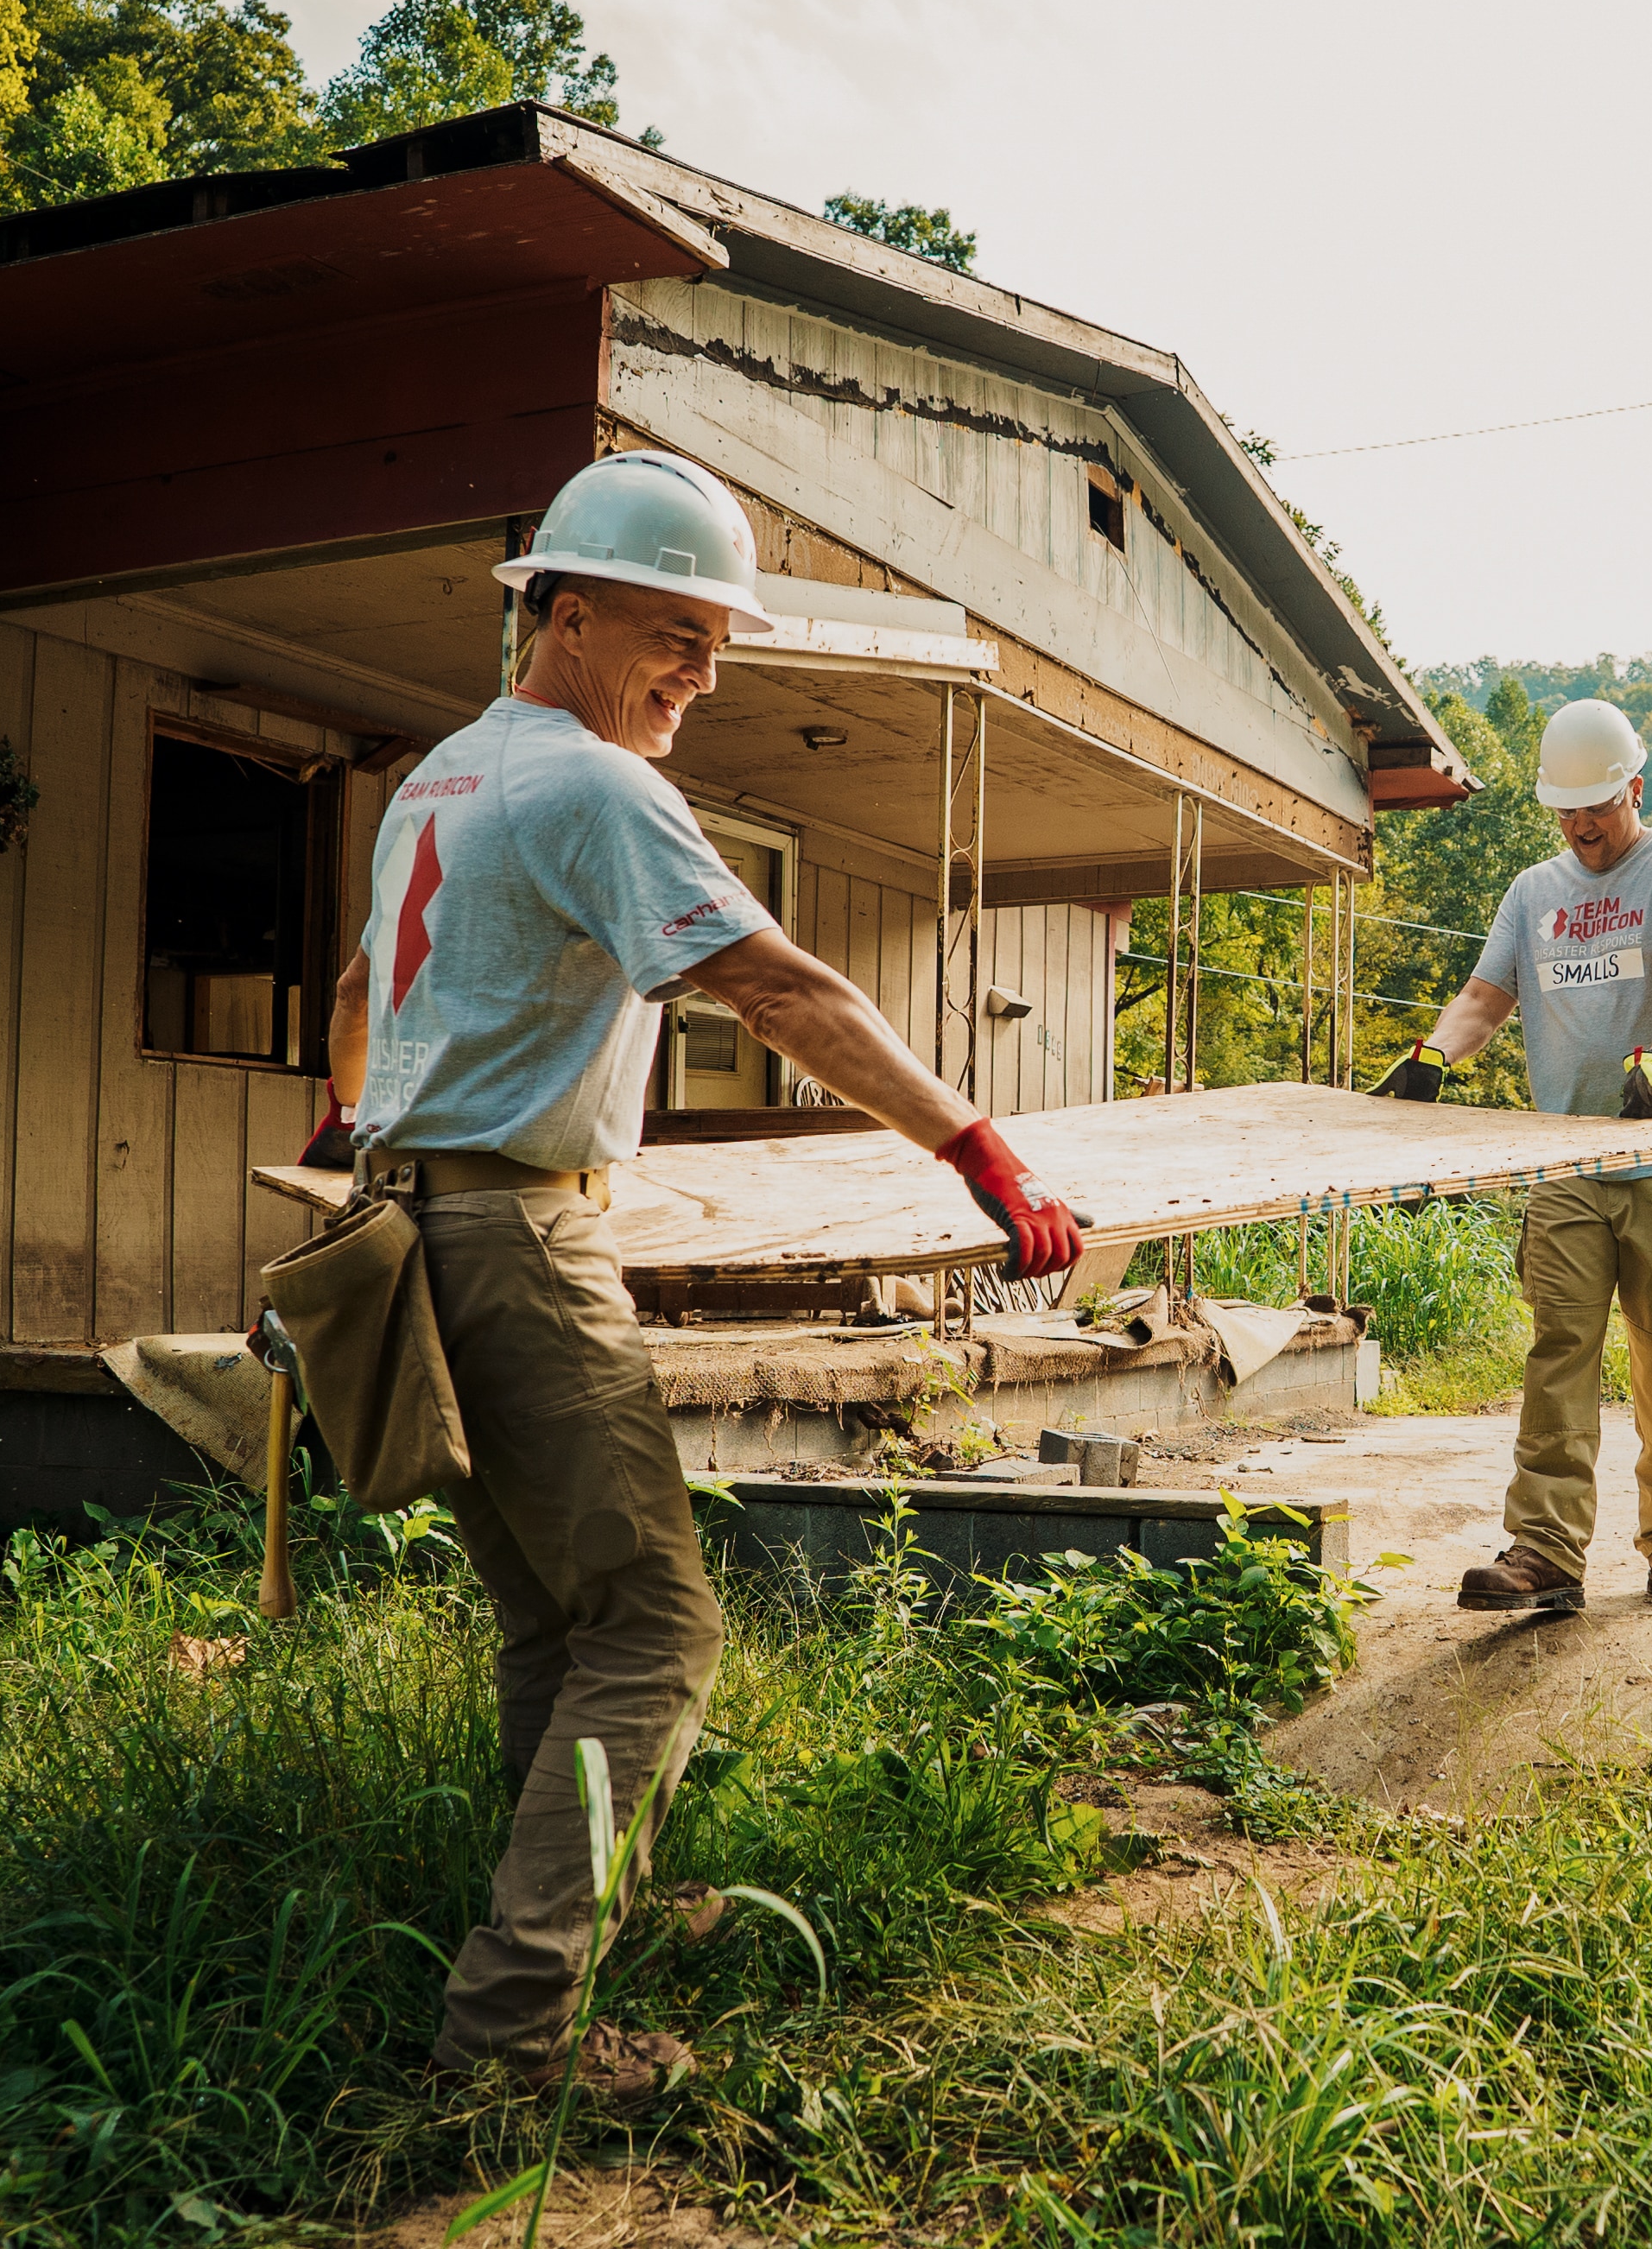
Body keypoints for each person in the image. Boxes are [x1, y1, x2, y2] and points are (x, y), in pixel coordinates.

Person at [321, 450, 1082, 2100]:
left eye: (717, 641)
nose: (703, 669)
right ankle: (511, 2037)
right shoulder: (593, 787)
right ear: (566, 611)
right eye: (676, 629)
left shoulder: (442, 778)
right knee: (657, 1626)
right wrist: (972, 1142)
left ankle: (599, 1910)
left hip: (413, 1224)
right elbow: (777, 985)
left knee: (555, 1619)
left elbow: (358, 989)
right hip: (514, 1236)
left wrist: (366, 1125)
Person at [1367, 698, 1652, 1612]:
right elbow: (1482, 996)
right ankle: (1543, 1548)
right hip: (1567, 1163)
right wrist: (1434, 1053)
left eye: (1597, 805)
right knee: (1559, 1349)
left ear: (1634, 784)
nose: (1581, 826)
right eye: (1565, 810)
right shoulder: (1533, 892)